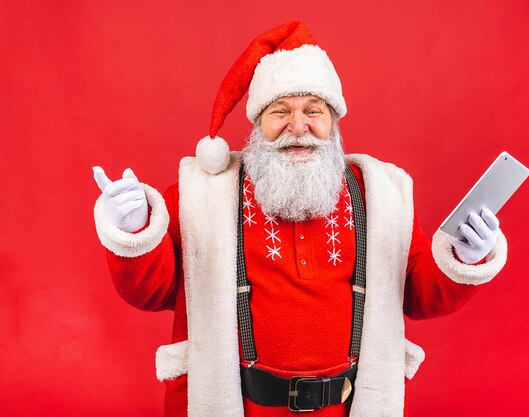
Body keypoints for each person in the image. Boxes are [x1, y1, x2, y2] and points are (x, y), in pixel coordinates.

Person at [91, 21, 507, 417]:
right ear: (256, 124)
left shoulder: (380, 193)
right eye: (279, 112)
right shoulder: (203, 192)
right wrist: (135, 231)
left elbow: (420, 293)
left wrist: (465, 256)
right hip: (236, 405)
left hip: (348, 407)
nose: (298, 126)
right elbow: (152, 292)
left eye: (314, 110)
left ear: (334, 122)